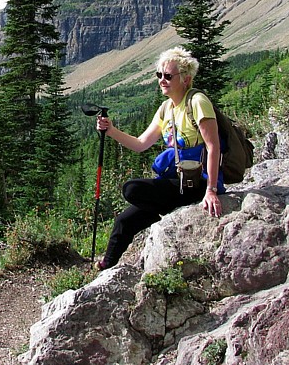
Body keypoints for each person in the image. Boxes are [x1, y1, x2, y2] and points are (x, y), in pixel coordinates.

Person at [94, 46, 223, 271]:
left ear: (185, 79)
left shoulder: (197, 102)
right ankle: (107, 266)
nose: (162, 80)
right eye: (159, 75)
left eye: (168, 76)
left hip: (197, 182)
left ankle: (161, 214)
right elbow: (141, 144)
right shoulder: (166, 109)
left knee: (132, 189)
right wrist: (111, 130)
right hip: (179, 181)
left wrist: (210, 191)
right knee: (124, 221)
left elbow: (214, 146)